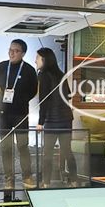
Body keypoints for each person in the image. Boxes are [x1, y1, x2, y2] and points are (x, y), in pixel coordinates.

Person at [0, 39, 38, 191]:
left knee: (23, 146)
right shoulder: (0, 67)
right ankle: (9, 179)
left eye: (16, 51)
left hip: (20, 112)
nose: (12, 53)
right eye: (10, 50)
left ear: (23, 53)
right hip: (2, 112)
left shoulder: (29, 70)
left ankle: (27, 176)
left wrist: (19, 99)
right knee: (6, 147)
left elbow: (33, 91)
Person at [35, 47, 76, 188]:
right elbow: (69, 95)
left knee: (47, 153)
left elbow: (43, 100)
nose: (35, 61)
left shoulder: (43, 75)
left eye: (37, 58)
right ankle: (74, 181)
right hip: (66, 118)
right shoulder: (60, 74)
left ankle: (46, 183)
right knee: (67, 151)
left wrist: (40, 122)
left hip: (51, 120)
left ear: (44, 60)